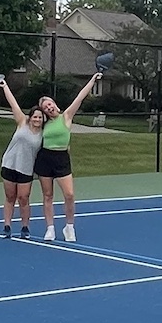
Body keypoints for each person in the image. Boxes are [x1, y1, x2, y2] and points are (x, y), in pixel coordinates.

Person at [34, 71, 102, 242]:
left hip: (62, 159)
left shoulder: (66, 116)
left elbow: (80, 96)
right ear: (44, 112)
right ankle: (50, 229)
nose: (48, 108)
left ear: (54, 104)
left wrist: (93, 79)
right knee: (48, 195)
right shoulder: (43, 124)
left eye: (49, 104)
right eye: (45, 108)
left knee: (69, 194)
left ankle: (69, 227)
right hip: (45, 159)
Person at [0, 77, 45, 239]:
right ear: (30, 117)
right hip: (9, 165)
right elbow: (13, 103)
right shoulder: (22, 122)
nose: (37, 119)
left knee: (23, 198)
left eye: (40, 117)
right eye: (35, 116)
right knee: (10, 197)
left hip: (26, 169)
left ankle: (25, 227)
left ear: (43, 119)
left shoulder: (44, 134)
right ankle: (7, 226)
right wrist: (4, 86)